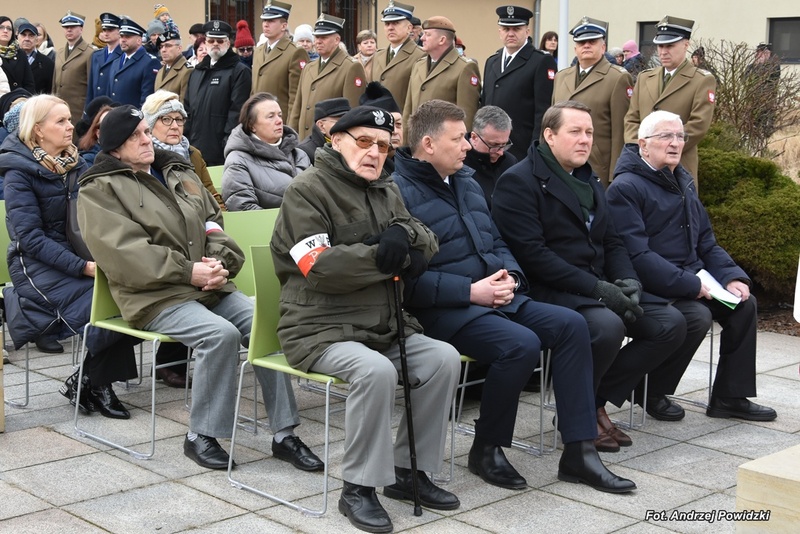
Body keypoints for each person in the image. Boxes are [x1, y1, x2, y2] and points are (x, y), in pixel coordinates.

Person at [393, 99, 636, 493]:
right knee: (520, 344)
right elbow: (404, 281)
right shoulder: (397, 192)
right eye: (458, 139)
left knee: (573, 325)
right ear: (428, 143)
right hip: (443, 308)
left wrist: (512, 278)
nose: (467, 147)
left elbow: (498, 242)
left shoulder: (466, 181)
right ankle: (487, 447)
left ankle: (579, 451)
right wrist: (471, 291)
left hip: (496, 296)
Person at [76, 104, 324, 471]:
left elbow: (212, 221)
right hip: (155, 295)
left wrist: (221, 261)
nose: (148, 139)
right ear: (114, 148)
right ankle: (201, 435)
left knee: (267, 323)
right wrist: (188, 271)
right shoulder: (99, 189)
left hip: (208, 285)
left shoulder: (176, 169)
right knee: (219, 336)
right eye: (136, 136)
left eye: (146, 131)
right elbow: (126, 255)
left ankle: (284, 434)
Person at [271, 105, 461, 533]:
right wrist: (386, 257)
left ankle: (409, 471)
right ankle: (357, 487)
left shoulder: (386, 188)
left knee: (442, 358)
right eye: (363, 141)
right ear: (335, 141)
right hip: (317, 328)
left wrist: (403, 235)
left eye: (382, 144)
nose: (374, 152)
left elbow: (426, 240)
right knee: (374, 372)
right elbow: (318, 265)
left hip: (381, 325)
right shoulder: (308, 190)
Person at [493, 99, 686, 451]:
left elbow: (612, 240)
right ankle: (576, 418)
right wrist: (599, 289)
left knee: (669, 323)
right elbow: (534, 256)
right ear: (549, 135)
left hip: (595, 285)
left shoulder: (588, 176)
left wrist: (628, 281)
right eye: (575, 132)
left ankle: (592, 402)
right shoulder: (519, 181)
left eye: (590, 133)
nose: (585, 140)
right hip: (549, 289)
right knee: (606, 326)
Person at [607, 110, 777, 423]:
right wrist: (692, 285)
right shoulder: (625, 188)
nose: (675, 143)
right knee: (696, 316)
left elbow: (706, 243)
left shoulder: (682, 180)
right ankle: (651, 391)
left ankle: (730, 396)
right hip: (653, 286)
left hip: (689, 279)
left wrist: (731, 276)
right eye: (666, 136)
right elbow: (637, 256)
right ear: (643, 145)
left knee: (744, 304)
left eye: (680, 136)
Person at [0, 94, 139, 417]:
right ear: (37, 131)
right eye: (60, 121)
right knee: (109, 302)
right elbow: (30, 239)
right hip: (35, 265)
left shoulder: (79, 163)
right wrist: (84, 267)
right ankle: (100, 384)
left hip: (81, 256)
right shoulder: (18, 173)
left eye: (69, 119)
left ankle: (87, 380)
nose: (70, 127)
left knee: (140, 297)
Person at [624, 16, 716, 181]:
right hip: (642, 165)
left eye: (670, 46)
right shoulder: (645, 78)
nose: (663, 51)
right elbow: (631, 119)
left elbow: (698, 125)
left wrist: (660, 148)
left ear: (686, 45)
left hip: (678, 167)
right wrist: (641, 149)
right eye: (660, 46)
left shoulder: (701, 80)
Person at [552, 17, 633, 187]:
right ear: (575, 48)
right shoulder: (561, 77)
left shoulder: (617, 78)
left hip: (596, 167)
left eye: (592, 41)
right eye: (581, 42)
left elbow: (620, 131)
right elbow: (552, 121)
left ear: (603, 47)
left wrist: (616, 174)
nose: (586, 45)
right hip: (560, 165)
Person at [481, 6, 557, 161]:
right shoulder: (492, 61)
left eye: (516, 29)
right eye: (506, 28)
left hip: (521, 148)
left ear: (527, 32)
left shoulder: (540, 61)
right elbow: (485, 102)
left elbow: (543, 111)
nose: (511, 33)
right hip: (490, 146)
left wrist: (535, 148)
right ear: (499, 32)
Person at [221, 92, 309, 211]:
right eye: (271, 116)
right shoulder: (238, 160)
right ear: (252, 125)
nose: (279, 121)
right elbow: (242, 208)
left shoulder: (300, 155)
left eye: (280, 115)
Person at [142, 89, 226, 210]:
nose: (175, 126)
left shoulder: (193, 154)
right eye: (166, 119)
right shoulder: (144, 157)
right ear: (150, 125)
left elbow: (212, 196)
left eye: (179, 119)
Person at [184, 20, 252, 166]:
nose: (215, 44)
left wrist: (227, 143)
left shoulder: (239, 71)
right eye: (211, 40)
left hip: (220, 150)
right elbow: (188, 109)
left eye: (220, 40)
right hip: (193, 148)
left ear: (228, 43)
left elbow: (237, 112)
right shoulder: (197, 72)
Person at [288, 14, 366, 137]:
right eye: (316, 37)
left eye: (323, 37)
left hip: (329, 144)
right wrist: (291, 136)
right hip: (304, 143)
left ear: (337, 40)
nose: (318, 41)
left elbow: (352, 113)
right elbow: (297, 108)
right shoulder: (309, 67)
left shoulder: (350, 67)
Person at [404, 16, 480, 131]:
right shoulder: (418, 65)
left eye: (428, 35)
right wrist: (405, 144)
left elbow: (467, 116)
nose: (422, 38)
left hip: (444, 142)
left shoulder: (464, 68)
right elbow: (408, 109)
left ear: (442, 40)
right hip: (417, 142)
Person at [251, 2, 310, 121]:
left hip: (279, 122)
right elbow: (254, 90)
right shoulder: (258, 51)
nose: (266, 25)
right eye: (264, 21)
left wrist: (290, 127)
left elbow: (296, 97)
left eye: (271, 21)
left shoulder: (295, 52)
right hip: (258, 121)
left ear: (283, 26)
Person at [371, 2, 425, 117]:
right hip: (378, 123)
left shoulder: (420, 56)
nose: (390, 27)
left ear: (409, 28)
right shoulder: (378, 55)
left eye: (396, 23)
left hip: (402, 124)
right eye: (387, 24)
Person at [464, 105, 516, 208]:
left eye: (504, 145)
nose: (500, 152)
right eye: (494, 145)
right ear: (474, 137)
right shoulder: (457, 162)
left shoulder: (510, 162)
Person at [107, 17, 161, 108]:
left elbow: (147, 100)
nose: (123, 40)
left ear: (139, 40)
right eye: (121, 36)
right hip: (114, 117)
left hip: (132, 119)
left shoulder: (150, 62)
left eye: (127, 37)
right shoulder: (116, 61)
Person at [52, 11, 93, 127]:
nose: (68, 30)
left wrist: (86, 112)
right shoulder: (59, 53)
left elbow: (91, 86)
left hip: (78, 110)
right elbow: (54, 85)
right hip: (58, 108)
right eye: (66, 27)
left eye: (73, 27)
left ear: (81, 29)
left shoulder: (89, 53)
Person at [358, 81, 403, 173]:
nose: (395, 131)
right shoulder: (364, 168)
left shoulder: (410, 160)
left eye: (398, 124)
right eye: (388, 124)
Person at [295, 97, 349, 164]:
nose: (345, 125)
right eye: (338, 122)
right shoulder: (305, 152)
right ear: (321, 126)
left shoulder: (356, 144)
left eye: (348, 120)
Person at [86, 13, 123, 107]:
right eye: (104, 30)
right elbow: (91, 88)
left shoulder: (123, 55)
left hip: (113, 108)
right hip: (97, 108)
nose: (106, 33)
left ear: (119, 32)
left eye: (110, 30)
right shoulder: (96, 55)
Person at [154, 24, 191, 102]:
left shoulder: (187, 71)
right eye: (161, 47)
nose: (163, 50)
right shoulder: (161, 71)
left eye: (168, 46)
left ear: (179, 48)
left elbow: (184, 104)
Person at [0, 15, 35, 93]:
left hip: (20, 100)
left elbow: (29, 83)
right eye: (1, 27)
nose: (5, 31)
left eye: (9, 28)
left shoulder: (20, 53)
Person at [17, 22, 53, 94]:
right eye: (23, 35)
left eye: (31, 35)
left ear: (37, 40)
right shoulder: (10, 60)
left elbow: (49, 90)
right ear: (17, 38)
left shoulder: (48, 63)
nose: (27, 39)